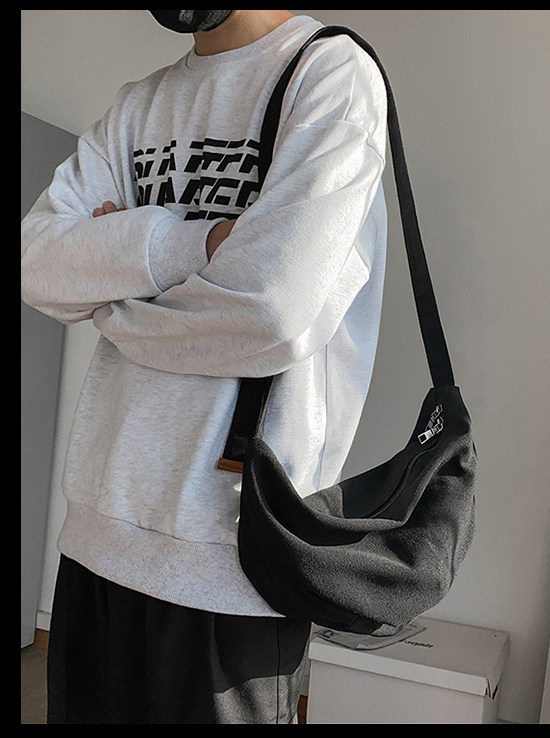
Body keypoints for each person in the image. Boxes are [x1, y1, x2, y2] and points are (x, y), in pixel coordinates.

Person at [21, 10, 388, 724]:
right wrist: (204, 243)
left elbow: (270, 311)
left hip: (232, 558)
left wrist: (111, 294)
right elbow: (38, 263)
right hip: (95, 536)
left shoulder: (330, 75)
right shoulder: (140, 103)